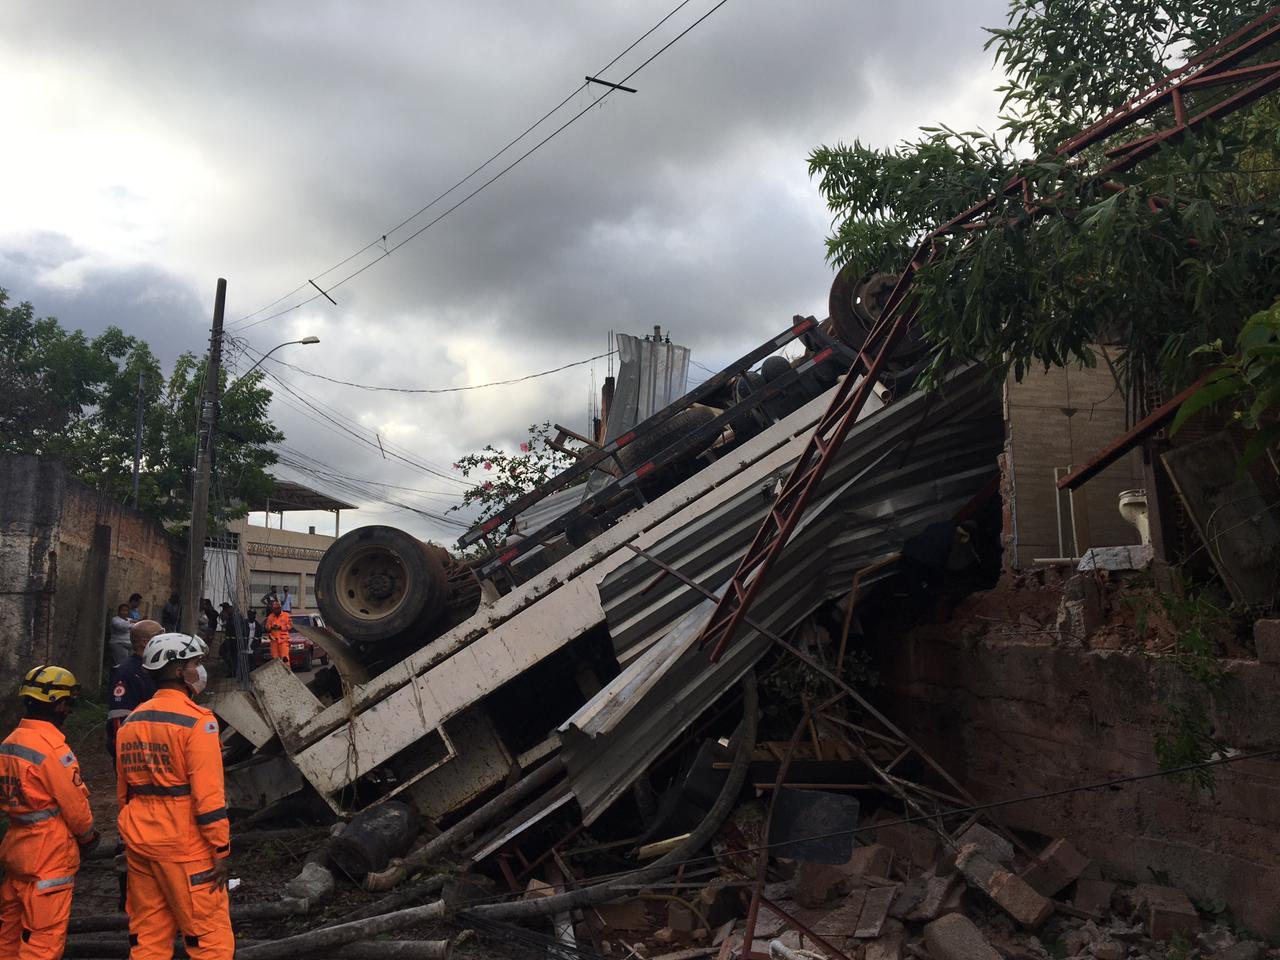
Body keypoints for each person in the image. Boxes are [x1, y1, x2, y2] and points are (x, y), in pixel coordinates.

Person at [116, 633, 233, 959]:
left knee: (148, 937)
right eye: (195, 663)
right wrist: (220, 849)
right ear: (180, 672)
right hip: (185, 847)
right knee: (209, 940)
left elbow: (124, 792)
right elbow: (209, 798)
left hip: (139, 841)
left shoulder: (131, 722)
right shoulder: (198, 723)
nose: (198, 669)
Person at [0, 665, 99, 960]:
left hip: (16, 850)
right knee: (42, 941)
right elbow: (75, 806)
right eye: (69, 703)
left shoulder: (9, 744)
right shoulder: (53, 749)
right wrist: (88, 838)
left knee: (9, 935)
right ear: (60, 704)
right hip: (49, 857)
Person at [106, 619, 162, 762]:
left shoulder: (153, 668)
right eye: (159, 635)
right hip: (135, 753)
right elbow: (119, 718)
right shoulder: (128, 672)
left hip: (155, 746)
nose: (164, 639)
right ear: (144, 642)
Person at [263, 600, 292, 668]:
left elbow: (290, 626)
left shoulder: (286, 615)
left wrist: (281, 627)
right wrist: (271, 627)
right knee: (275, 658)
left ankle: (287, 672)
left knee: (285, 658)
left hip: (283, 640)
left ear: (280, 608)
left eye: (277, 609)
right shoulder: (270, 616)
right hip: (274, 641)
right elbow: (267, 627)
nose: (276, 610)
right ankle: (277, 673)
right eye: (274, 609)